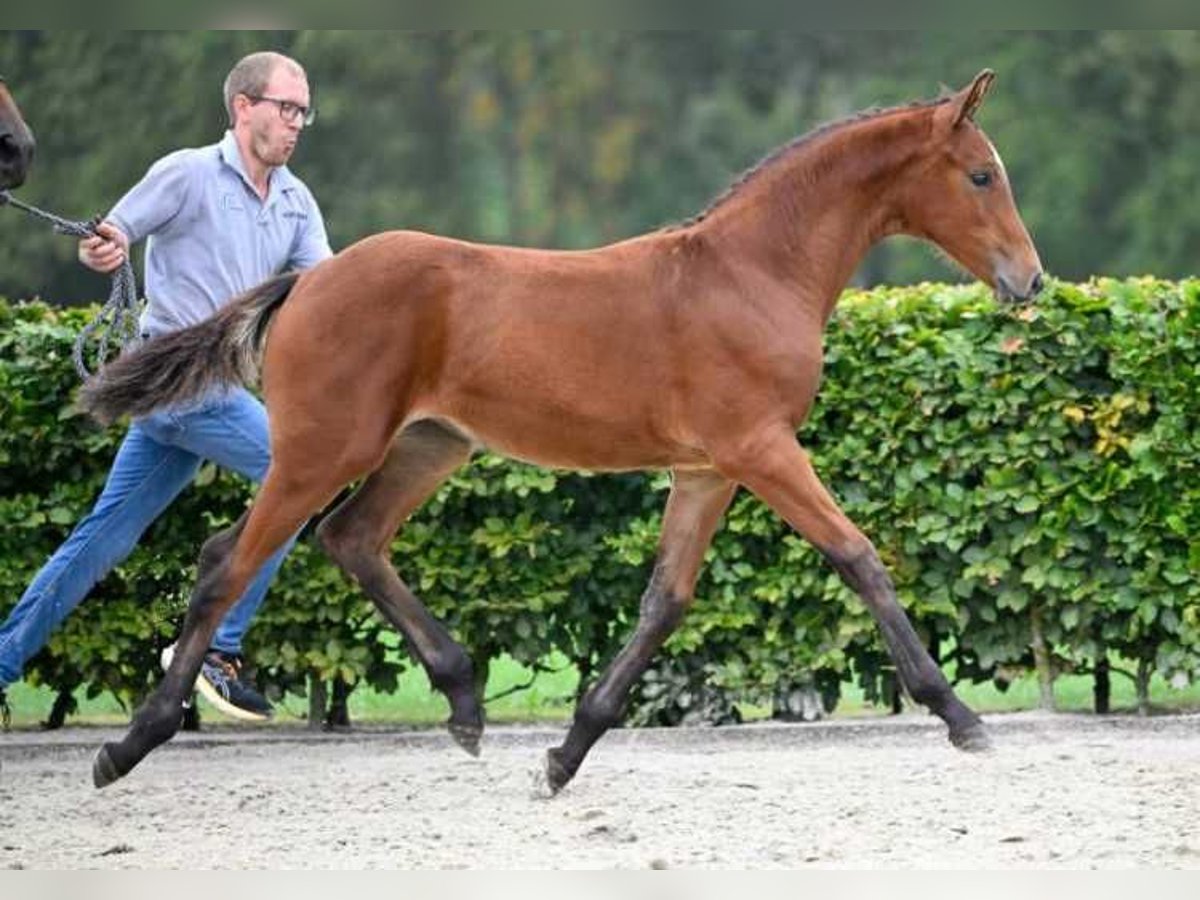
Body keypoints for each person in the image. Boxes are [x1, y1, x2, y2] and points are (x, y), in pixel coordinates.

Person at [0, 51, 331, 728]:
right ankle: (218, 650)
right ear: (244, 107)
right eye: (285, 107)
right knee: (297, 477)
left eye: (304, 111)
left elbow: (329, 292)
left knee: (98, 542)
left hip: (210, 386)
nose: (297, 123)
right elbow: (112, 235)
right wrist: (105, 248)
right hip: (176, 377)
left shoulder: (296, 202)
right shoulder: (186, 173)